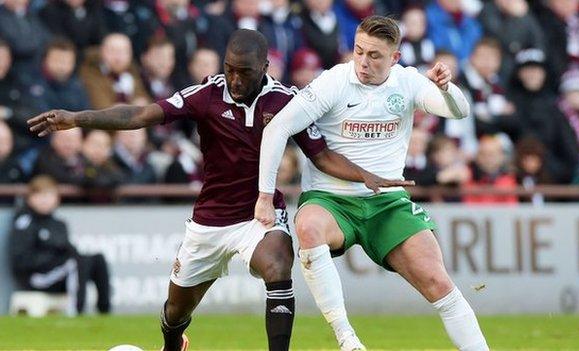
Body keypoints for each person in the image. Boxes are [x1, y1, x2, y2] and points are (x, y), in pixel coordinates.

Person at [28, 29, 407, 351]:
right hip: (209, 221)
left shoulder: (287, 102)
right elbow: (142, 114)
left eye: (244, 72)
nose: (235, 80)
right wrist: (78, 118)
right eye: (229, 70)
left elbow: (321, 156)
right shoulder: (205, 95)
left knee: (278, 264)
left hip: (259, 216)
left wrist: (365, 175)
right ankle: (172, 344)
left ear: (265, 68)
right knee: (176, 312)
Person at [255, 16, 489, 351]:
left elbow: (459, 111)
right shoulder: (333, 82)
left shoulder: (407, 82)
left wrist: (446, 88)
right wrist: (265, 196)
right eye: (359, 51)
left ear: (395, 58)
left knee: (439, 283)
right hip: (331, 198)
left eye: (375, 55)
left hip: (387, 202)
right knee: (307, 226)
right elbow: (277, 127)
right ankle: (347, 338)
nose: (363, 62)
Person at [8, 175, 111, 315]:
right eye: (40, 195)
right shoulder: (25, 223)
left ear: (57, 199)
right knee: (73, 263)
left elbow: (68, 249)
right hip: (37, 277)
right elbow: (20, 260)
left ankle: (104, 310)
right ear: (30, 198)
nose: (45, 200)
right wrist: (52, 255)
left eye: (49, 195)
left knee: (97, 259)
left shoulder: (58, 224)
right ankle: (76, 311)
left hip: (60, 274)